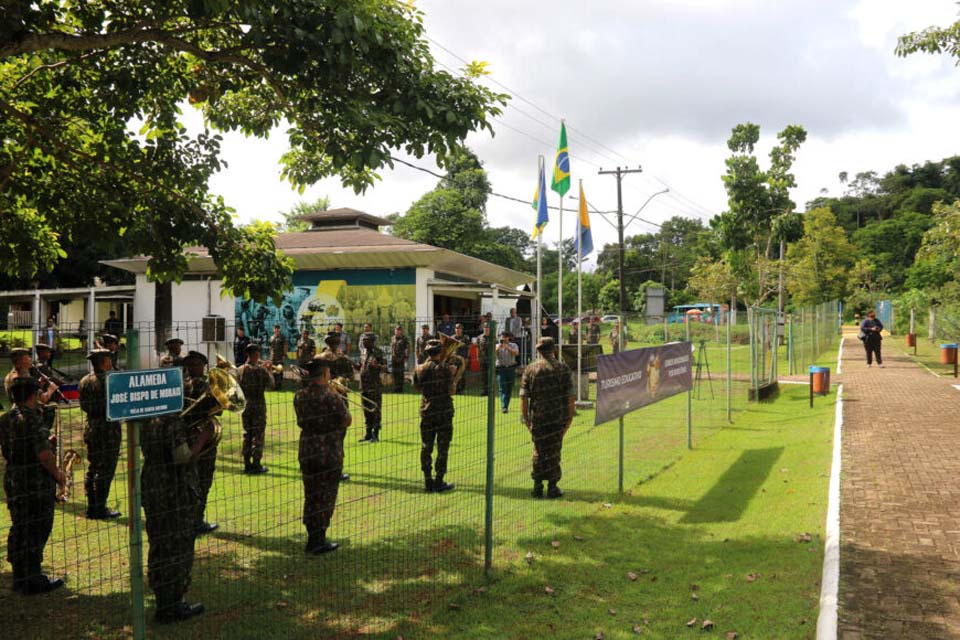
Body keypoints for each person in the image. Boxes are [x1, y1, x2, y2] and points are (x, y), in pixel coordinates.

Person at [0, 377, 66, 594]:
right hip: (34, 479)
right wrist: (58, 476)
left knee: (20, 524)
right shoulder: (32, 419)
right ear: (33, 394)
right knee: (37, 526)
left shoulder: (7, 418)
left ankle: (20, 575)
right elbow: (44, 455)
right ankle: (33, 578)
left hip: (14, 476)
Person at [140, 410, 205, 623]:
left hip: (152, 485)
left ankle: (162, 600)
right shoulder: (173, 421)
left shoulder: (148, 418)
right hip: (173, 490)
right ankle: (173, 605)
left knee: (159, 543)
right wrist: (203, 438)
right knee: (178, 544)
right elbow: (182, 457)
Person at [294, 354, 351, 555]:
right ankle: (319, 539)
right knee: (326, 495)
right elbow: (347, 420)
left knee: (311, 494)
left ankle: (312, 536)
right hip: (328, 450)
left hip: (308, 449)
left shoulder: (299, 395)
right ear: (325, 373)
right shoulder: (331, 395)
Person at [520, 337, 574, 499]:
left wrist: (526, 419)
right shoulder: (563, 369)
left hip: (538, 417)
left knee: (538, 451)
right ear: (554, 349)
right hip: (557, 418)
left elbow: (523, 398)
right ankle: (552, 487)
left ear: (538, 350)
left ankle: (537, 486)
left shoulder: (530, 369)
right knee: (554, 451)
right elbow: (570, 397)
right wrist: (569, 419)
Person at [79, 349, 122, 519]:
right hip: (108, 429)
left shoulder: (84, 380)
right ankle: (100, 507)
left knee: (93, 467)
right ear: (104, 362)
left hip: (91, 426)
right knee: (106, 469)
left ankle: (92, 505)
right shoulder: (110, 380)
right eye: (109, 359)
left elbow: (83, 405)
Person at [182, 351, 219, 535]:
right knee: (203, 480)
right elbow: (217, 411)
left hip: (184, 437)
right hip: (202, 440)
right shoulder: (205, 386)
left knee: (187, 480)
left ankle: (186, 518)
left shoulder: (180, 383)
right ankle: (196, 521)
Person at [416, 339, 456, 493]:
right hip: (444, 411)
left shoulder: (420, 369)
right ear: (440, 352)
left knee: (426, 446)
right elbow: (452, 391)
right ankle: (439, 480)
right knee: (443, 447)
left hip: (427, 410)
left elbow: (417, 387)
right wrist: (453, 375)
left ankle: (427, 480)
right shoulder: (446, 369)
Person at [320, 332, 354, 482]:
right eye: (332, 342)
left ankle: (334, 469)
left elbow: (350, 376)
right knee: (331, 436)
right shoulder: (322, 358)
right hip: (327, 399)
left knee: (338, 435)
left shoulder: (343, 358)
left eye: (336, 341)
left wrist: (342, 380)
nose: (334, 344)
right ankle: (331, 469)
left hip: (338, 398)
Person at [237, 343, 274, 474]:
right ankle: (256, 464)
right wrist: (269, 370)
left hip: (245, 405)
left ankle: (247, 464)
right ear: (257, 354)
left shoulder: (240, 370)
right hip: (258, 404)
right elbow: (272, 385)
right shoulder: (261, 370)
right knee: (258, 435)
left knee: (247, 434)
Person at [359, 333, 385, 443]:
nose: (364, 343)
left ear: (372, 342)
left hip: (374, 386)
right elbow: (362, 367)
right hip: (363, 386)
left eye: (366, 341)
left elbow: (385, 367)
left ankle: (375, 434)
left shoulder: (378, 353)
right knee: (366, 410)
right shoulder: (364, 352)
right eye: (363, 340)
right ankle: (368, 433)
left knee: (375, 410)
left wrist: (377, 366)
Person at [495, 331, 520, 413]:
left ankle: (506, 405)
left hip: (510, 368)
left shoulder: (513, 345)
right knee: (502, 388)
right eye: (501, 337)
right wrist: (498, 348)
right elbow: (492, 354)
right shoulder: (497, 345)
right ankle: (504, 406)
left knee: (509, 388)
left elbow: (516, 353)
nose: (503, 339)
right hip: (501, 369)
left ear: (508, 338)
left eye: (505, 337)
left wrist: (507, 348)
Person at [390, 325, 410, 393]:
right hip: (394, 359)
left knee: (400, 374)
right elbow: (392, 348)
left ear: (401, 331)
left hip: (401, 359)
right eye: (396, 330)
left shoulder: (404, 339)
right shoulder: (393, 338)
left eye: (398, 330)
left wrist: (406, 357)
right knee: (394, 374)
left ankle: (400, 389)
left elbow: (407, 348)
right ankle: (395, 388)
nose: (397, 331)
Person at [268, 324, 287, 390]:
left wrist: (284, 355)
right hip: (273, 358)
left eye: (278, 328)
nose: (276, 330)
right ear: (273, 329)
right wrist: (270, 357)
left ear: (279, 330)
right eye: (275, 328)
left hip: (280, 357)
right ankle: (274, 386)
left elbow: (285, 346)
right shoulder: (271, 338)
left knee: (279, 372)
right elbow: (270, 348)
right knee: (273, 372)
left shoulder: (282, 337)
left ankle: (279, 386)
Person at [476, 324, 493, 396]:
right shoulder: (479, 337)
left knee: (490, 375)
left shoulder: (493, 337)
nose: (486, 329)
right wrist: (477, 357)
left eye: (487, 327)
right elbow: (477, 348)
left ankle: (490, 390)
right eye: (485, 328)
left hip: (491, 359)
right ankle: (484, 390)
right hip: (483, 358)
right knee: (483, 376)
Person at [453, 323, 470, 394]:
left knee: (462, 375)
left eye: (459, 328)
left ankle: (462, 389)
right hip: (454, 359)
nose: (458, 330)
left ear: (462, 330)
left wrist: (467, 357)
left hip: (463, 358)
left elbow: (468, 348)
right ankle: (455, 389)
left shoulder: (465, 338)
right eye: (456, 328)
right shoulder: (452, 338)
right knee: (454, 374)